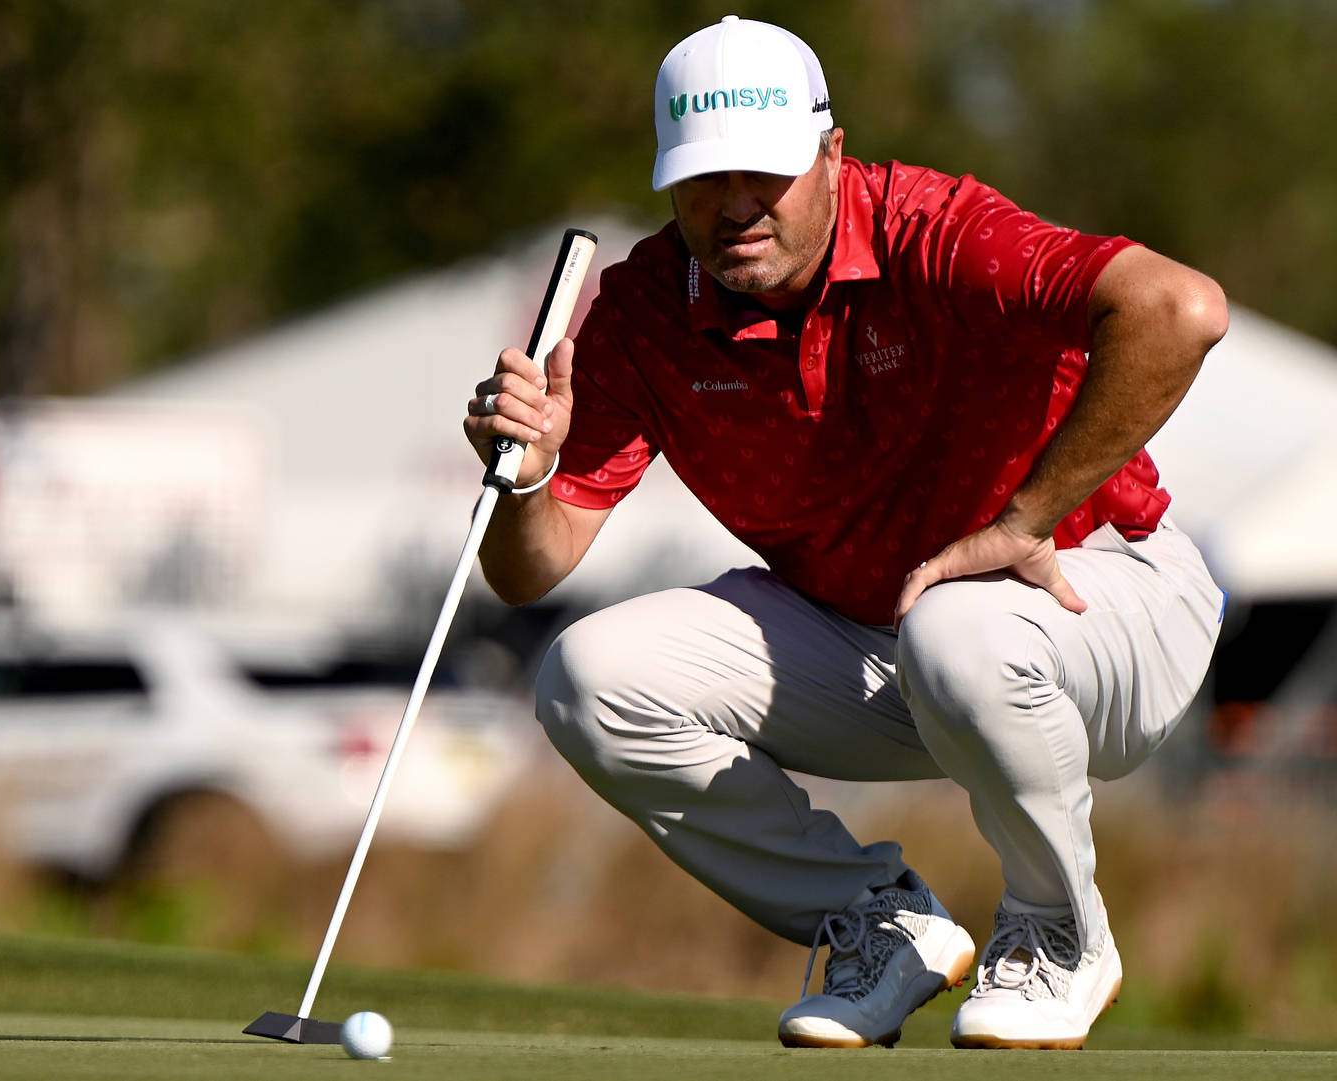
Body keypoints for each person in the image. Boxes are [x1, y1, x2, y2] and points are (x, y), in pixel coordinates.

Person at [462, 15, 1227, 1051]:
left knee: (961, 628)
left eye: (765, 175)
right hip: (886, 640)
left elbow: (1178, 308)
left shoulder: (935, 228)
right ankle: (882, 924)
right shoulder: (644, 309)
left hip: (1102, 595)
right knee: (588, 677)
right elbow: (533, 567)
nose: (735, 207)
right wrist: (530, 474)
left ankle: (1058, 937)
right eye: (703, 180)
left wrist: (1022, 520)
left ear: (830, 155)